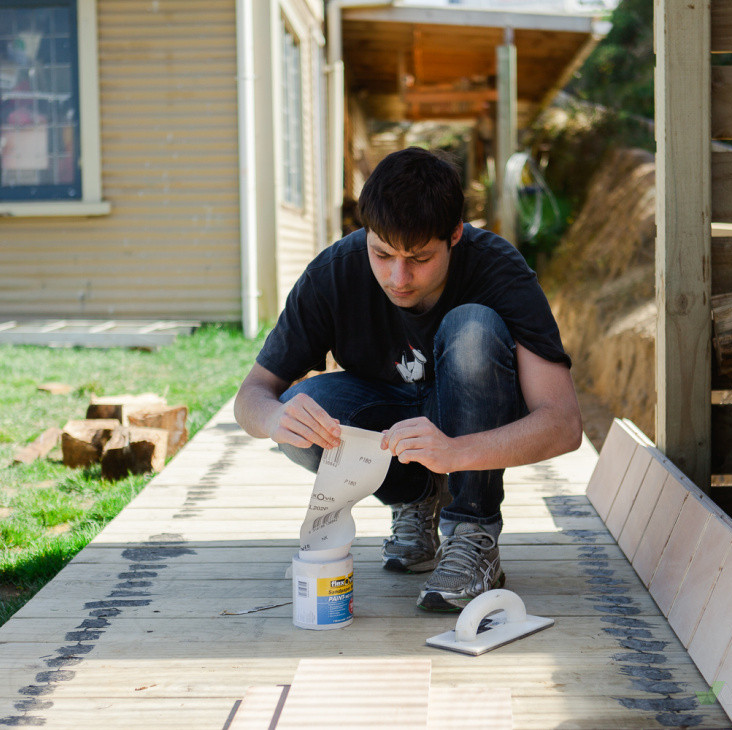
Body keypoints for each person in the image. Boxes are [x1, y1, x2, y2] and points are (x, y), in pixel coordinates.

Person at [234, 147, 583, 611]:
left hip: (466, 420)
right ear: (365, 234)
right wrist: (275, 417)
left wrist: (456, 452)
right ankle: (416, 498)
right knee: (303, 406)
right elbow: (250, 396)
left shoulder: (498, 269)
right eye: (381, 254)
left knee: (474, 328)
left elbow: (563, 423)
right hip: (390, 423)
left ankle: (472, 532)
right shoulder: (332, 273)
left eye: (419, 258)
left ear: (455, 235)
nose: (398, 277)